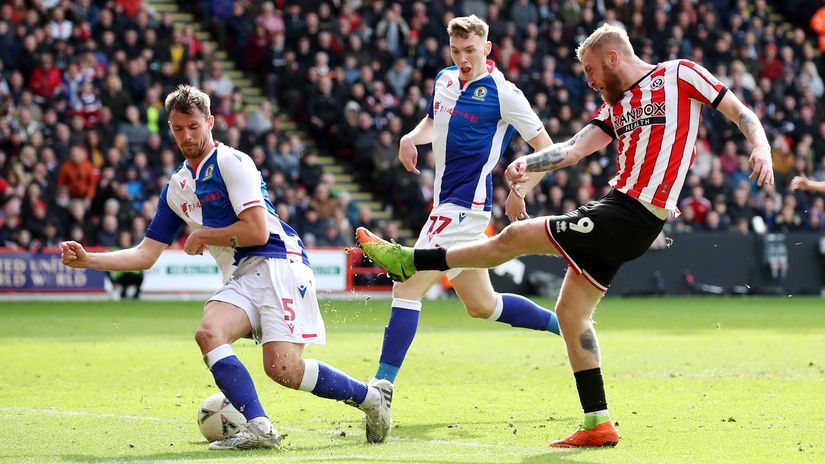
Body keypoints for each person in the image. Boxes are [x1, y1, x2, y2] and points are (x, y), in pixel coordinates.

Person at [357, 24, 774, 448]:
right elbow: (573, 148)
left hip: (628, 211)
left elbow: (742, 112)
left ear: (612, 57)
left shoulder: (680, 74)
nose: (590, 82)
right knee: (569, 313)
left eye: (591, 71)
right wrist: (529, 165)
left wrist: (759, 146)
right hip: (626, 215)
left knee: (513, 238)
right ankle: (598, 422)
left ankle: (411, 259)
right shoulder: (617, 105)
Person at [60, 85, 391, 450]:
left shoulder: (232, 162)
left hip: (278, 262)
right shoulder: (177, 187)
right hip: (243, 275)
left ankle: (370, 398)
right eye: (177, 128)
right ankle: (260, 427)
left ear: (210, 122)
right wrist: (88, 259)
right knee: (209, 332)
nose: (186, 136)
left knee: (284, 370)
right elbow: (145, 254)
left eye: (193, 126)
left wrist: (205, 235)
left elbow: (257, 229)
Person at [363, 14, 562, 436]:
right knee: (482, 305)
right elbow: (435, 121)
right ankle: (567, 322)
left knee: (407, 286)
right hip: (448, 206)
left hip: (464, 209)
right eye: (456, 52)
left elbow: (549, 149)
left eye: (471, 51)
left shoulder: (505, 96)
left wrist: (521, 190)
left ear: (487, 48)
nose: (463, 59)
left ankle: (381, 388)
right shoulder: (445, 80)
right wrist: (409, 138)